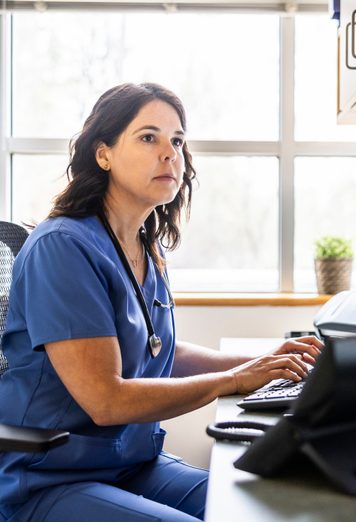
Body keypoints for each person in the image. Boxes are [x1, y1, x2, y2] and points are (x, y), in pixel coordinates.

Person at [0, 82, 323, 521]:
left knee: (266, 506)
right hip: (48, 478)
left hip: (128, 464)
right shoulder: (62, 247)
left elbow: (160, 353)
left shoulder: (147, 248)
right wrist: (234, 380)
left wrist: (270, 361)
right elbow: (106, 400)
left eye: (177, 140)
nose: (170, 153)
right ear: (103, 153)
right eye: (148, 137)